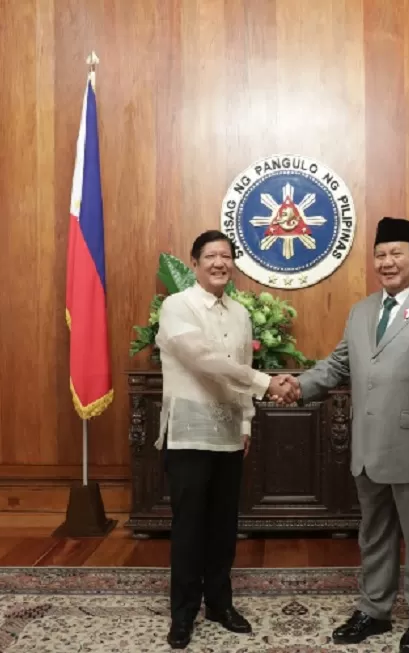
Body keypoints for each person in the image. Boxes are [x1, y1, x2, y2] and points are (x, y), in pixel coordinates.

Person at [274, 217, 409, 653]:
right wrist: (298, 385)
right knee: (375, 534)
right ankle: (375, 610)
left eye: (396, 253)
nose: (387, 262)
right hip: (369, 449)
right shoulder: (362, 311)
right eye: (380, 255)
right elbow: (338, 365)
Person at [155, 230, 294, 649]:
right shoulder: (177, 306)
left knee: (222, 527)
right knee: (189, 528)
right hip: (189, 434)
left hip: (230, 434)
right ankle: (183, 615)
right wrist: (265, 383)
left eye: (227, 256)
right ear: (194, 263)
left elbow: (241, 365)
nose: (220, 263)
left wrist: (248, 422)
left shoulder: (239, 313)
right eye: (211, 256)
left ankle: (219, 603)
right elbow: (203, 359)